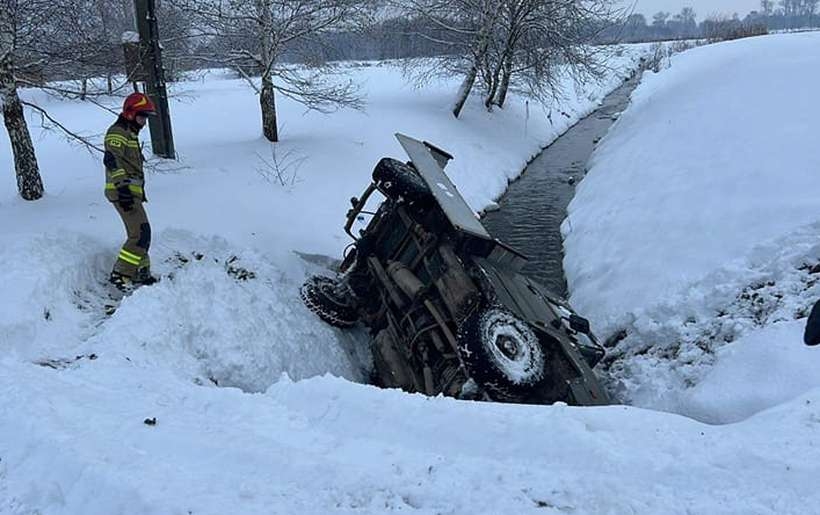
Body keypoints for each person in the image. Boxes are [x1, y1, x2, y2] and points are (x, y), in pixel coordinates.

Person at [104, 92, 158, 292]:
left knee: (140, 232)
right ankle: (121, 274)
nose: (144, 121)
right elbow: (112, 160)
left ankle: (141, 271)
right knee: (141, 234)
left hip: (130, 193)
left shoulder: (130, 133)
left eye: (146, 117)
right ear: (130, 114)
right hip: (123, 193)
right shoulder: (118, 132)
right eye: (142, 116)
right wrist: (122, 188)